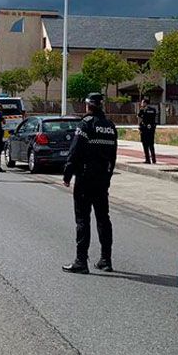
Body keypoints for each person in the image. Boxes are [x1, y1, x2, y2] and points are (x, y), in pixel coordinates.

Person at [62, 92, 117, 274]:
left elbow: (75, 150)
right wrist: (108, 177)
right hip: (102, 179)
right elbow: (113, 156)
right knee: (103, 219)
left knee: (82, 219)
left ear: (88, 106)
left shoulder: (85, 125)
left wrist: (67, 174)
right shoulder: (110, 127)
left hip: (85, 178)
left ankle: (81, 261)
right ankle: (106, 260)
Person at [138, 97, 158, 164]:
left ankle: (147, 159)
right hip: (152, 129)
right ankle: (154, 159)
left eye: (142, 102)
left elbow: (139, 117)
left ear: (145, 103)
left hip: (145, 129)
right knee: (151, 145)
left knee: (145, 145)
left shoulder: (143, 110)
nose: (141, 104)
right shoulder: (153, 110)